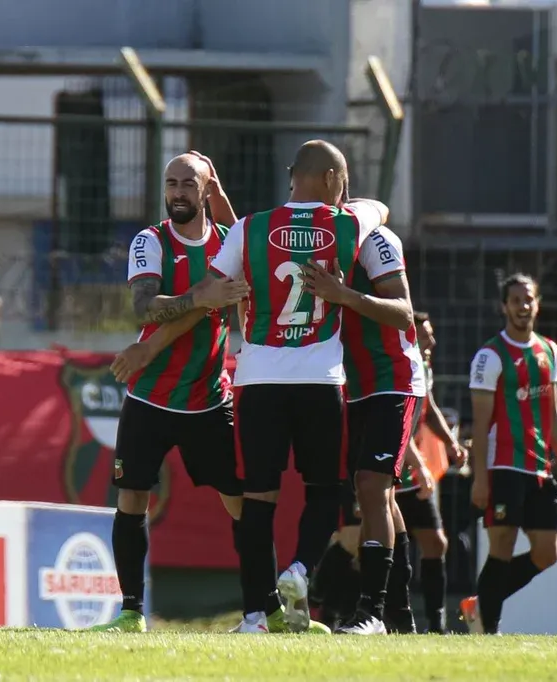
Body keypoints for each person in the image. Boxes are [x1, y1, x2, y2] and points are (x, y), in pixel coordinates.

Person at [199, 139, 390, 634]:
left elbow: (212, 288)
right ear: (330, 179)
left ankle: (254, 616)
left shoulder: (248, 227)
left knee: (258, 499)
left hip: (258, 379)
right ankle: (300, 568)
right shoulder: (347, 223)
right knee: (325, 492)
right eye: (341, 182)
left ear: (292, 176)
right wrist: (343, 206)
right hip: (319, 380)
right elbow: (379, 207)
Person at [91, 152, 249, 633]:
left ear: (206, 190)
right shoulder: (150, 240)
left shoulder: (228, 243)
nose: (177, 192)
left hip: (209, 398)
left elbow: (240, 245)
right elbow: (143, 307)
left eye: (188, 184)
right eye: (171, 183)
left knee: (241, 500)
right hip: (150, 396)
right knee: (131, 497)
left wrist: (221, 200)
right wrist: (200, 297)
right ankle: (130, 612)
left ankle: (263, 609)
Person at [303, 223, 425, 635]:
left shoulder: (375, 237)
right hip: (355, 387)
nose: (296, 196)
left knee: (373, 487)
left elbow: (404, 311)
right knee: (377, 494)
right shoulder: (311, 235)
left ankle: (372, 611)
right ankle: (400, 615)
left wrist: (344, 295)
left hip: (395, 380)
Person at [468, 273, 557, 635]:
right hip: (503, 465)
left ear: (538, 304)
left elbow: (551, 411)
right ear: (504, 307)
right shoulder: (489, 356)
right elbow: (480, 425)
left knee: (547, 552)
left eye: (528, 299)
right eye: (516, 300)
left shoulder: (549, 350)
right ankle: (487, 628)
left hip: (540, 467)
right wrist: (480, 480)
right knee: (501, 545)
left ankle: (481, 603)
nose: (523, 306)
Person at [392, 311, 467, 634]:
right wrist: (419, 463)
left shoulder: (424, 367)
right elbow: (399, 425)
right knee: (358, 544)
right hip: (391, 474)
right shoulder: (400, 367)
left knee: (435, 542)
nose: (432, 341)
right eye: (425, 335)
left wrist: (451, 443)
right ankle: (331, 604)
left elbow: (429, 408)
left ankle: (436, 624)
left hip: (414, 475)